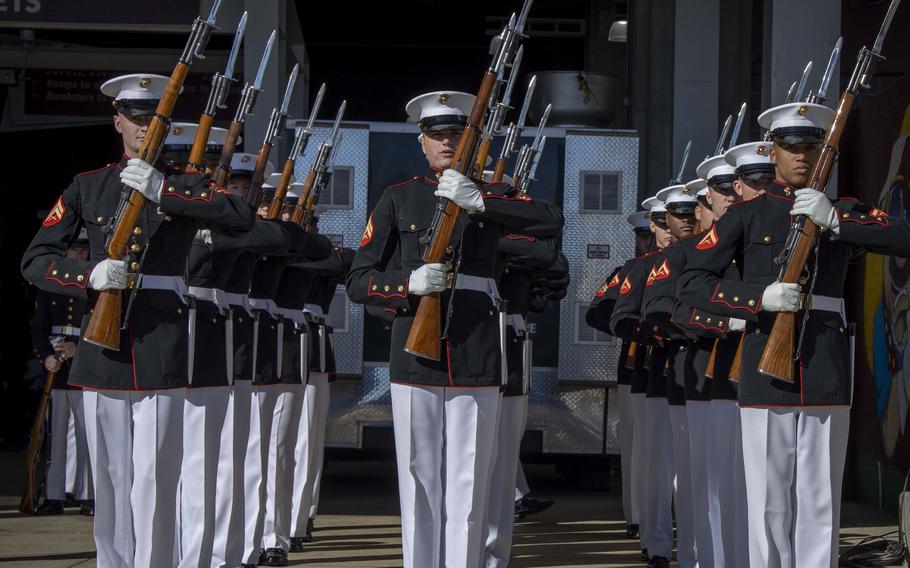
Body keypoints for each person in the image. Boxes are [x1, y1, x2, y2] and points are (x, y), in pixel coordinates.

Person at [20, 73, 254, 567]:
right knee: (110, 478)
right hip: (102, 349)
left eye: (156, 120)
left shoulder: (186, 185)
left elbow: (240, 217)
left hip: (162, 345)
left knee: (155, 478)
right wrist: (90, 275)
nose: (146, 128)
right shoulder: (89, 186)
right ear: (118, 121)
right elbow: (36, 260)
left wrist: (164, 190)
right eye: (137, 119)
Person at [678, 100, 910, 567]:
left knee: (820, 500)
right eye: (790, 147)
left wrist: (838, 222)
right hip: (768, 363)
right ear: (773, 152)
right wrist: (757, 297)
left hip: (825, 365)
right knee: (769, 501)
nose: (801, 155)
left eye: (812, 146)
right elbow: (692, 283)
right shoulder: (747, 215)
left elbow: (902, 235)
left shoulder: (842, 211)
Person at [346, 90, 563, 568]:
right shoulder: (399, 198)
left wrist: (480, 200)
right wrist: (408, 283)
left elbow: (550, 221)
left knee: (471, 477)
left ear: (473, 139)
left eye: (455, 133)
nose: (446, 142)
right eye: (436, 134)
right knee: (418, 474)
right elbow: (359, 280)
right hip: (415, 350)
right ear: (421, 142)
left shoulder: (496, 197)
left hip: (478, 349)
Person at [29, 239, 93, 516]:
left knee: (87, 436)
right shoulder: (49, 286)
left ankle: (87, 495)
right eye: (75, 249)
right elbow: (38, 328)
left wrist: (79, 349)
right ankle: (53, 495)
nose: (79, 254)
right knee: (55, 436)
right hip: (57, 371)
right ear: (65, 253)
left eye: (83, 250)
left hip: (84, 370)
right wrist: (45, 357)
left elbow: (103, 327)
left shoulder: (94, 287)